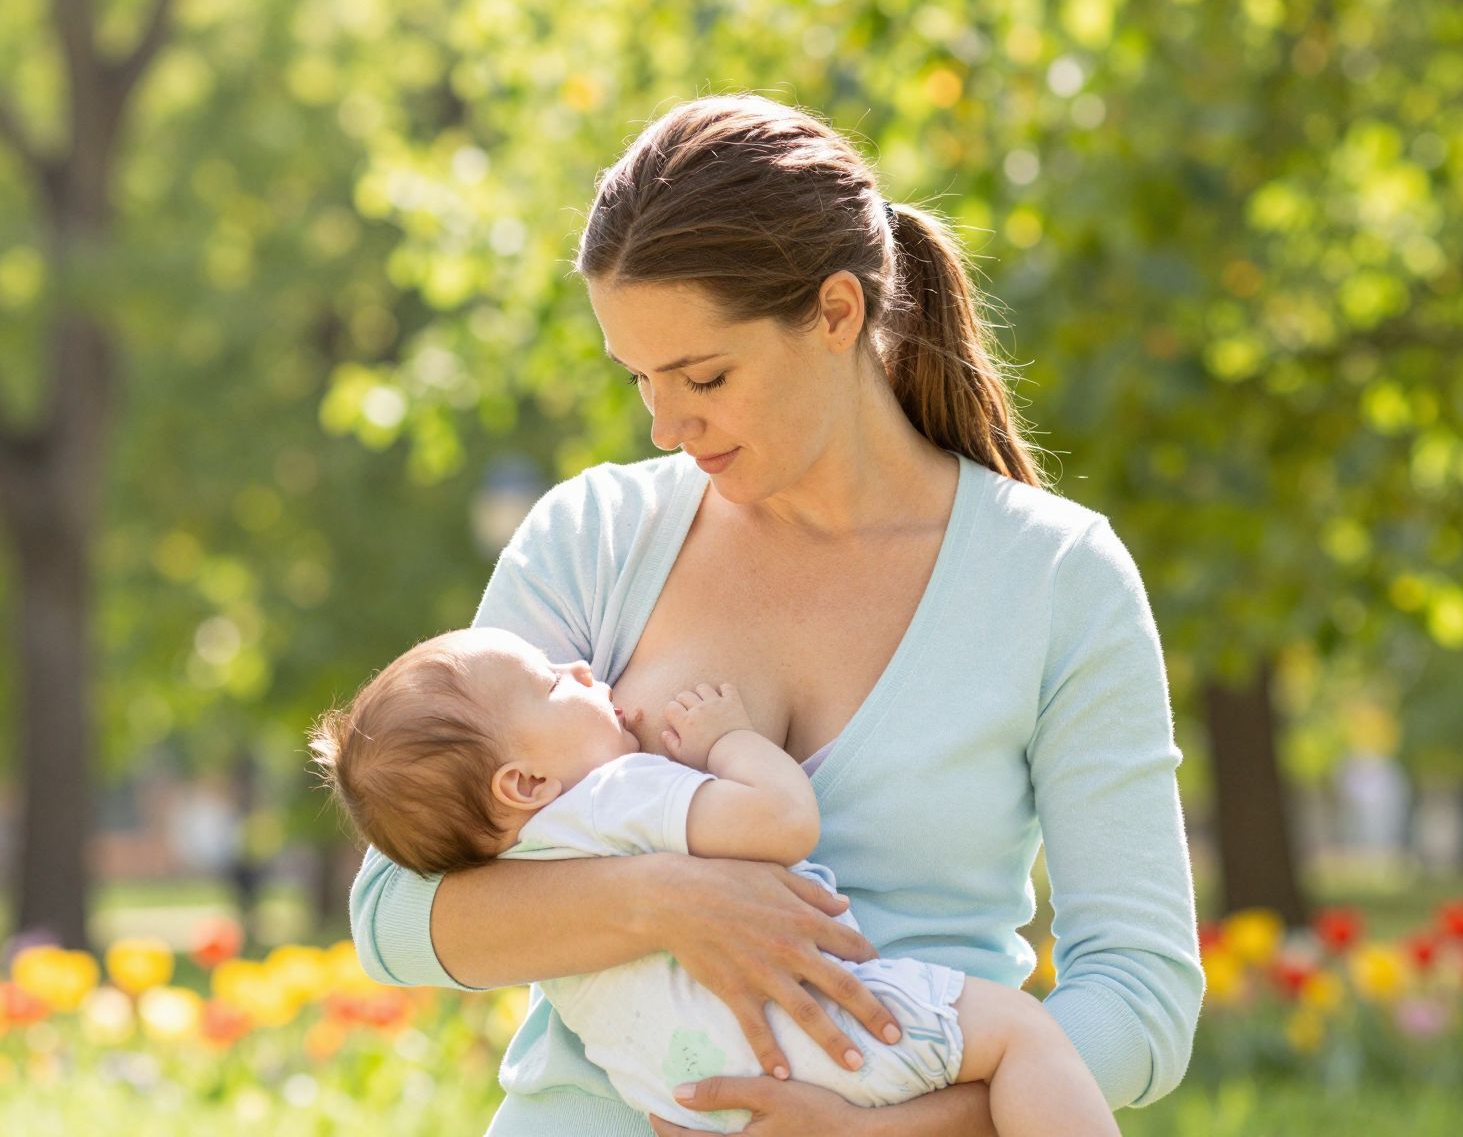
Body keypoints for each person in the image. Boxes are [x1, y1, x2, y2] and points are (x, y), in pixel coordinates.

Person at [347, 92, 1202, 1136]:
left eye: (703, 375)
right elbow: (394, 915)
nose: (667, 424)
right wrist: (665, 901)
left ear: (836, 313)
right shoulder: (593, 538)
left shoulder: (1055, 578)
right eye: (639, 381)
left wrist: (889, 1130)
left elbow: (1142, 994)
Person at [313, 627, 1117, 1137]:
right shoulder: (620, 794)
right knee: (1021, 1035)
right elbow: (779, 823)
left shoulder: (509, 877)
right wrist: (731, 740)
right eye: (555, 683)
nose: (581, 665)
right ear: (523, 783)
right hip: (829, 1035)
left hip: (700, 1100)